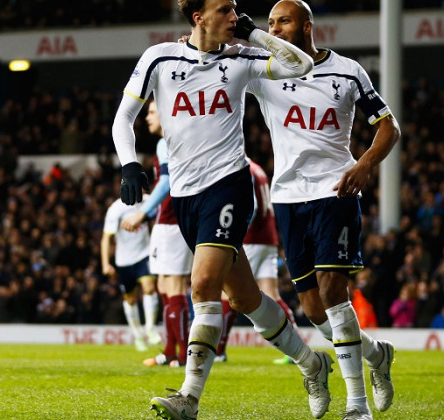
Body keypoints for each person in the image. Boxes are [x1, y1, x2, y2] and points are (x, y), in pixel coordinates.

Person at [111, 1, 333, 419]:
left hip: (228, 185)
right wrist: (128, 162)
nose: (236, 15)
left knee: (202, 286)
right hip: (185, 196)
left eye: (235, 9)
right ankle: (312, 363)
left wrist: (253, 34)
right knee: (246, 299)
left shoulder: (243, 58)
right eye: (226, 9)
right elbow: (123, 118)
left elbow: (301, 64)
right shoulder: (159, 57)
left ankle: (188, 397)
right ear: (199, 17)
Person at [246, 2, 401, 418]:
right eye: (271, 22)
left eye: (285, 21)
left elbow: (389, 126)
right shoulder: (263, 70)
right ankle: (375, 355)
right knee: (314, 311)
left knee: (334, 291)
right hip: (288, 197)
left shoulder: (348, 71)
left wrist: (364, 164)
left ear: (307, 26)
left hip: (336, 189)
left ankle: (356, 404)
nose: (275, 28)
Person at [121, 100, 194, 368]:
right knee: (165, 286)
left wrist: (144, 212)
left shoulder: (167, 143)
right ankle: (170, 351)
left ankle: (184, 355)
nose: (148, 117)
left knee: (173, 287)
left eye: (152, 112)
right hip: (175, 220)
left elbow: (168, 181)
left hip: (171, 222)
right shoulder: (180, 142)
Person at [214, 157, 299, 365]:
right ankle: (295, 344)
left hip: (250, 238)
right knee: (272, 293)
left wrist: (237, 231)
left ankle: (219, 350)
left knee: (228, 294)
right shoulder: (258, 168)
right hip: (268, 238)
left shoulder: (240, 167)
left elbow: (248, 204)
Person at [101, 195, 161, 352]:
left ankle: (150, 327)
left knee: (149, 287)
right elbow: (106, 238)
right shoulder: (116, 209)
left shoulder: (149, 200)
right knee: (130, 299)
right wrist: (105, 264)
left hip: (144, 254)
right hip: (124, 261)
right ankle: (137, 335)